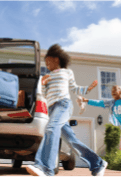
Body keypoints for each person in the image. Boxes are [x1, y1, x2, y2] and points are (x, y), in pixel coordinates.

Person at [25, 44, 108, 177]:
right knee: (71, 141)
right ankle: (98, 163)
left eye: (48, 61)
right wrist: (43, 85)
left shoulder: (67, 72)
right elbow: (46, 95)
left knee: (51, 129)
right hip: (52, 109)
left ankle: (45, 168)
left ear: (56, 59)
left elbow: (75, 89)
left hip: (63, 104)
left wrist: (88, 89)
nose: (47, 65)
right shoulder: (48, 76)